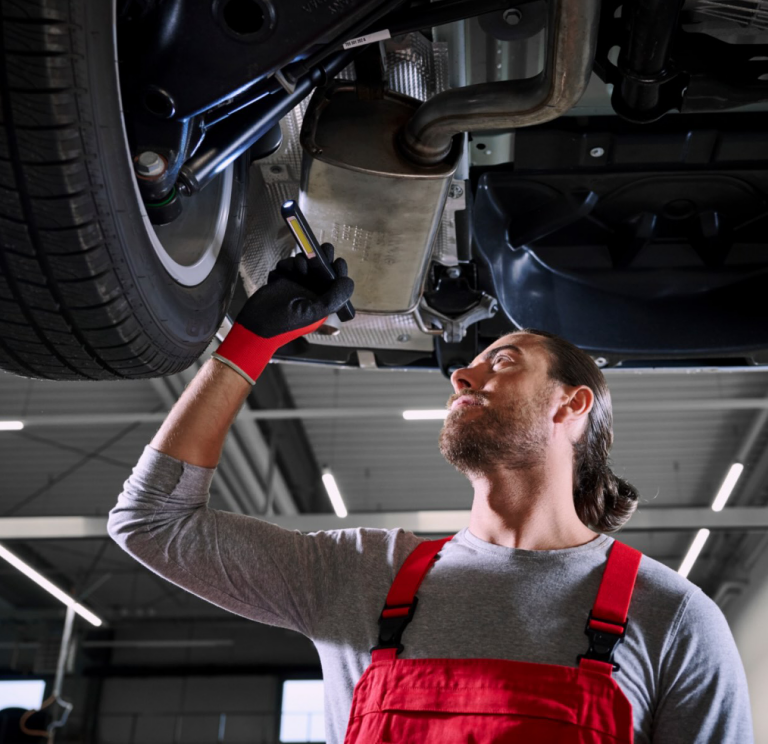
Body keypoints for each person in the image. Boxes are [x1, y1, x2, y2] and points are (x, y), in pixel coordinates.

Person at [109, 245, 754, 744]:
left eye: (502, 361)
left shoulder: (672, 618)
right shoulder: (359, 574)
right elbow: (151, 522)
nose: (460, 372)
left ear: (573, 403)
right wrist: (248, 345)